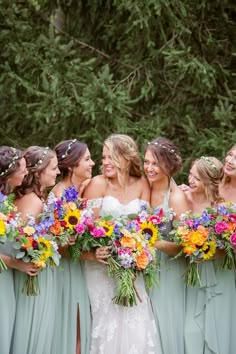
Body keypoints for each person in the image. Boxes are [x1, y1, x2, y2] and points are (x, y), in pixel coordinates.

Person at [83, 134, 161, 354]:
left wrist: (137, 254)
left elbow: (148, 228)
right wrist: (94, 253)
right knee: (104, 324)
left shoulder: (143, 184)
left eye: (111, 157)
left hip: (133, 268)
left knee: (136, 324)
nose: (104, 162)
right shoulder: (97, 184)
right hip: (101, 268)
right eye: (103, 157)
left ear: (126, 159)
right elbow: (85, 231)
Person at [182, 156, 236, 354]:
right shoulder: (184, 201)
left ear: (207, 181)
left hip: (220, 279)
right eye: (190, 174)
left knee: (220, 333)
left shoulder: (223, 211)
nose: (190, 180)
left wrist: (212, 250)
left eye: (197, 177)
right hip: (195, 279)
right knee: (191, 332)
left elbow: (230, 247)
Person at [11, 146, 60, 354]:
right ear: (38, 173)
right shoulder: (32, 201)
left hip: (38, 272)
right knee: (33, 329)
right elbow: (23, 239)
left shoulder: (33, 198)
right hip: (33, 275)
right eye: (54, 168)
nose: (58, 172)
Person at [143, 137, 189, 354]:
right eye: (147, 162)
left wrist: (154, 242)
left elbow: (184, 245)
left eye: (155, 163)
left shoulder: (177, 198)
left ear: (168, 165)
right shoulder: (144, 188)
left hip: (168, 270)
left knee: (164, 323)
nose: (149, 168)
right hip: (142, 266)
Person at [50, 139, 94, 354]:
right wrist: (92, 256)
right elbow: (61, 248)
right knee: (73, 327)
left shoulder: (80, 190)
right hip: (66, 271)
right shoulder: (60, 196)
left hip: (80, 269)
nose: (92, 163)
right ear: (71, 165)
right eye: (87, 159)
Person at [0, 146, 34, 354]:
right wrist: (15, 263)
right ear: (9, 172)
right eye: (22, 167)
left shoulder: (6, 201)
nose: (26, 172)